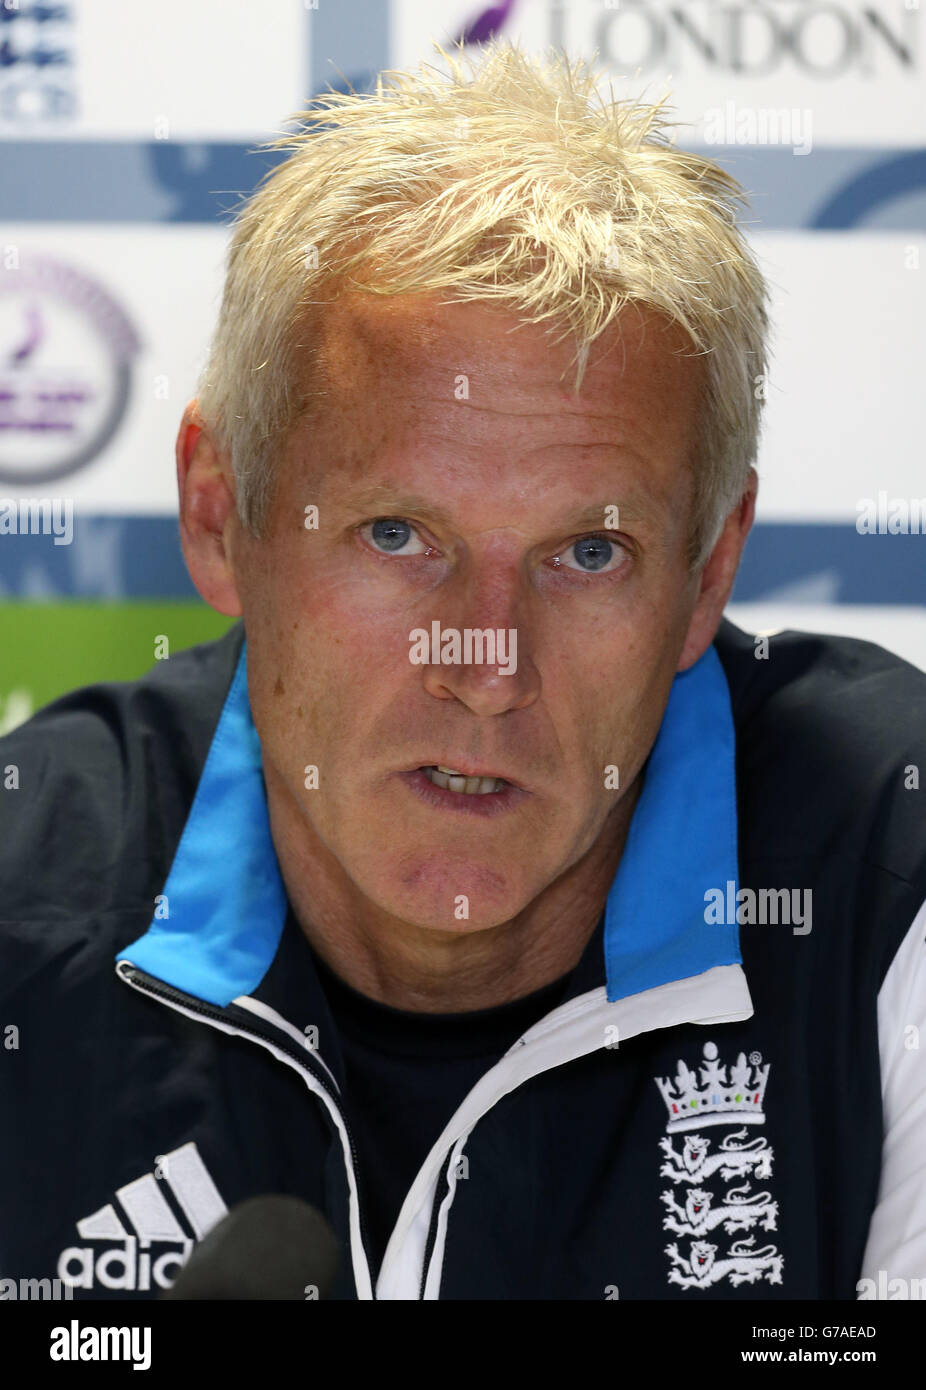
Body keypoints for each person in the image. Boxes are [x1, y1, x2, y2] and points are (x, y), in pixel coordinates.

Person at [1, 41, 924, 1302]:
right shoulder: (20, 889)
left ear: (707, 575)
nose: (486, 667)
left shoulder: (892, 875)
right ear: (220, 515)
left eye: (587, 551)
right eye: (397, 535)